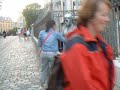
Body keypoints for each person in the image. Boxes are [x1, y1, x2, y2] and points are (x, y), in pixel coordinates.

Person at [60, 0, 115, 90]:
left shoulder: (100, 44)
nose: (107, 19)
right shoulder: (77, 47)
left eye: (107, 15)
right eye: (103, 15)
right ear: (90, 16)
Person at [38, 19, 66, 89]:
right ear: (53, 25)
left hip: (43, 54)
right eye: (55, 24)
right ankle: (50, 86)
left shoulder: (41, 33)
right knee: (52, 71)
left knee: (43, 70)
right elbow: (65, 40)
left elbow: (39, 44)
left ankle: (41, 86)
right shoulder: (56, 34)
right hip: (52, 55)